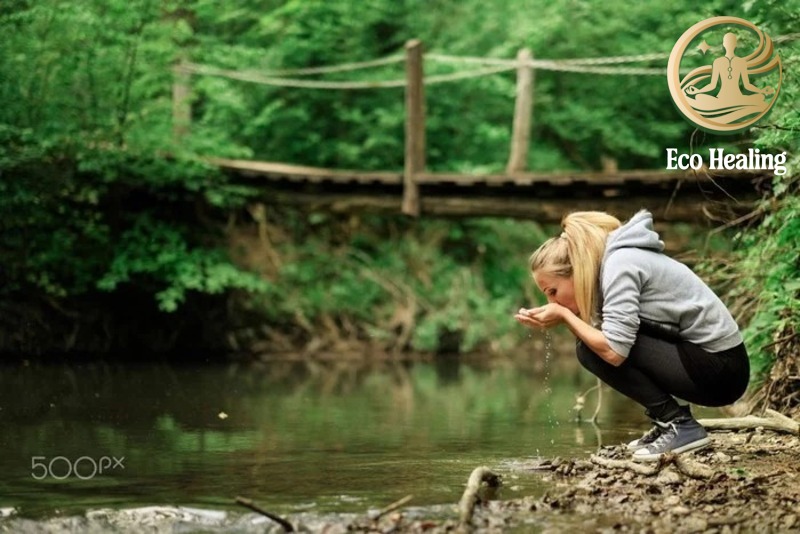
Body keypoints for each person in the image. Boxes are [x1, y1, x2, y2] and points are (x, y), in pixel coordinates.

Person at [514, 210, 749, 462]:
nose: (551, 300)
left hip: (723, 370)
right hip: (709, 363)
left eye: (553, 291)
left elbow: (614, 352)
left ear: (576, 271)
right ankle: (668, 423)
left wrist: (563, 314)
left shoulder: (620, 264)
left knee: (590, 349)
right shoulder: (613, 264)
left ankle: (680, 425)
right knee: (589, 345)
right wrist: (564, 314)